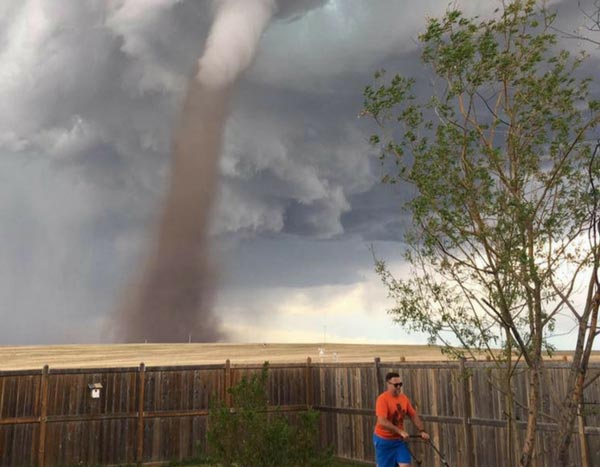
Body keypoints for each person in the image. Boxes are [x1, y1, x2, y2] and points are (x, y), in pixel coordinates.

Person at [373, 371, 430, 467]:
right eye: (396, 385)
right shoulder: (382, 399)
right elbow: (382, 421)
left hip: (399, 441)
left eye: (400, 384)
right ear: (388, 384)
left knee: (406, 465)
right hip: (384, 440)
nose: (399, 387)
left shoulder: (404, 398)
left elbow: (413, 415)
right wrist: (400, 431)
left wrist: (422, 430)